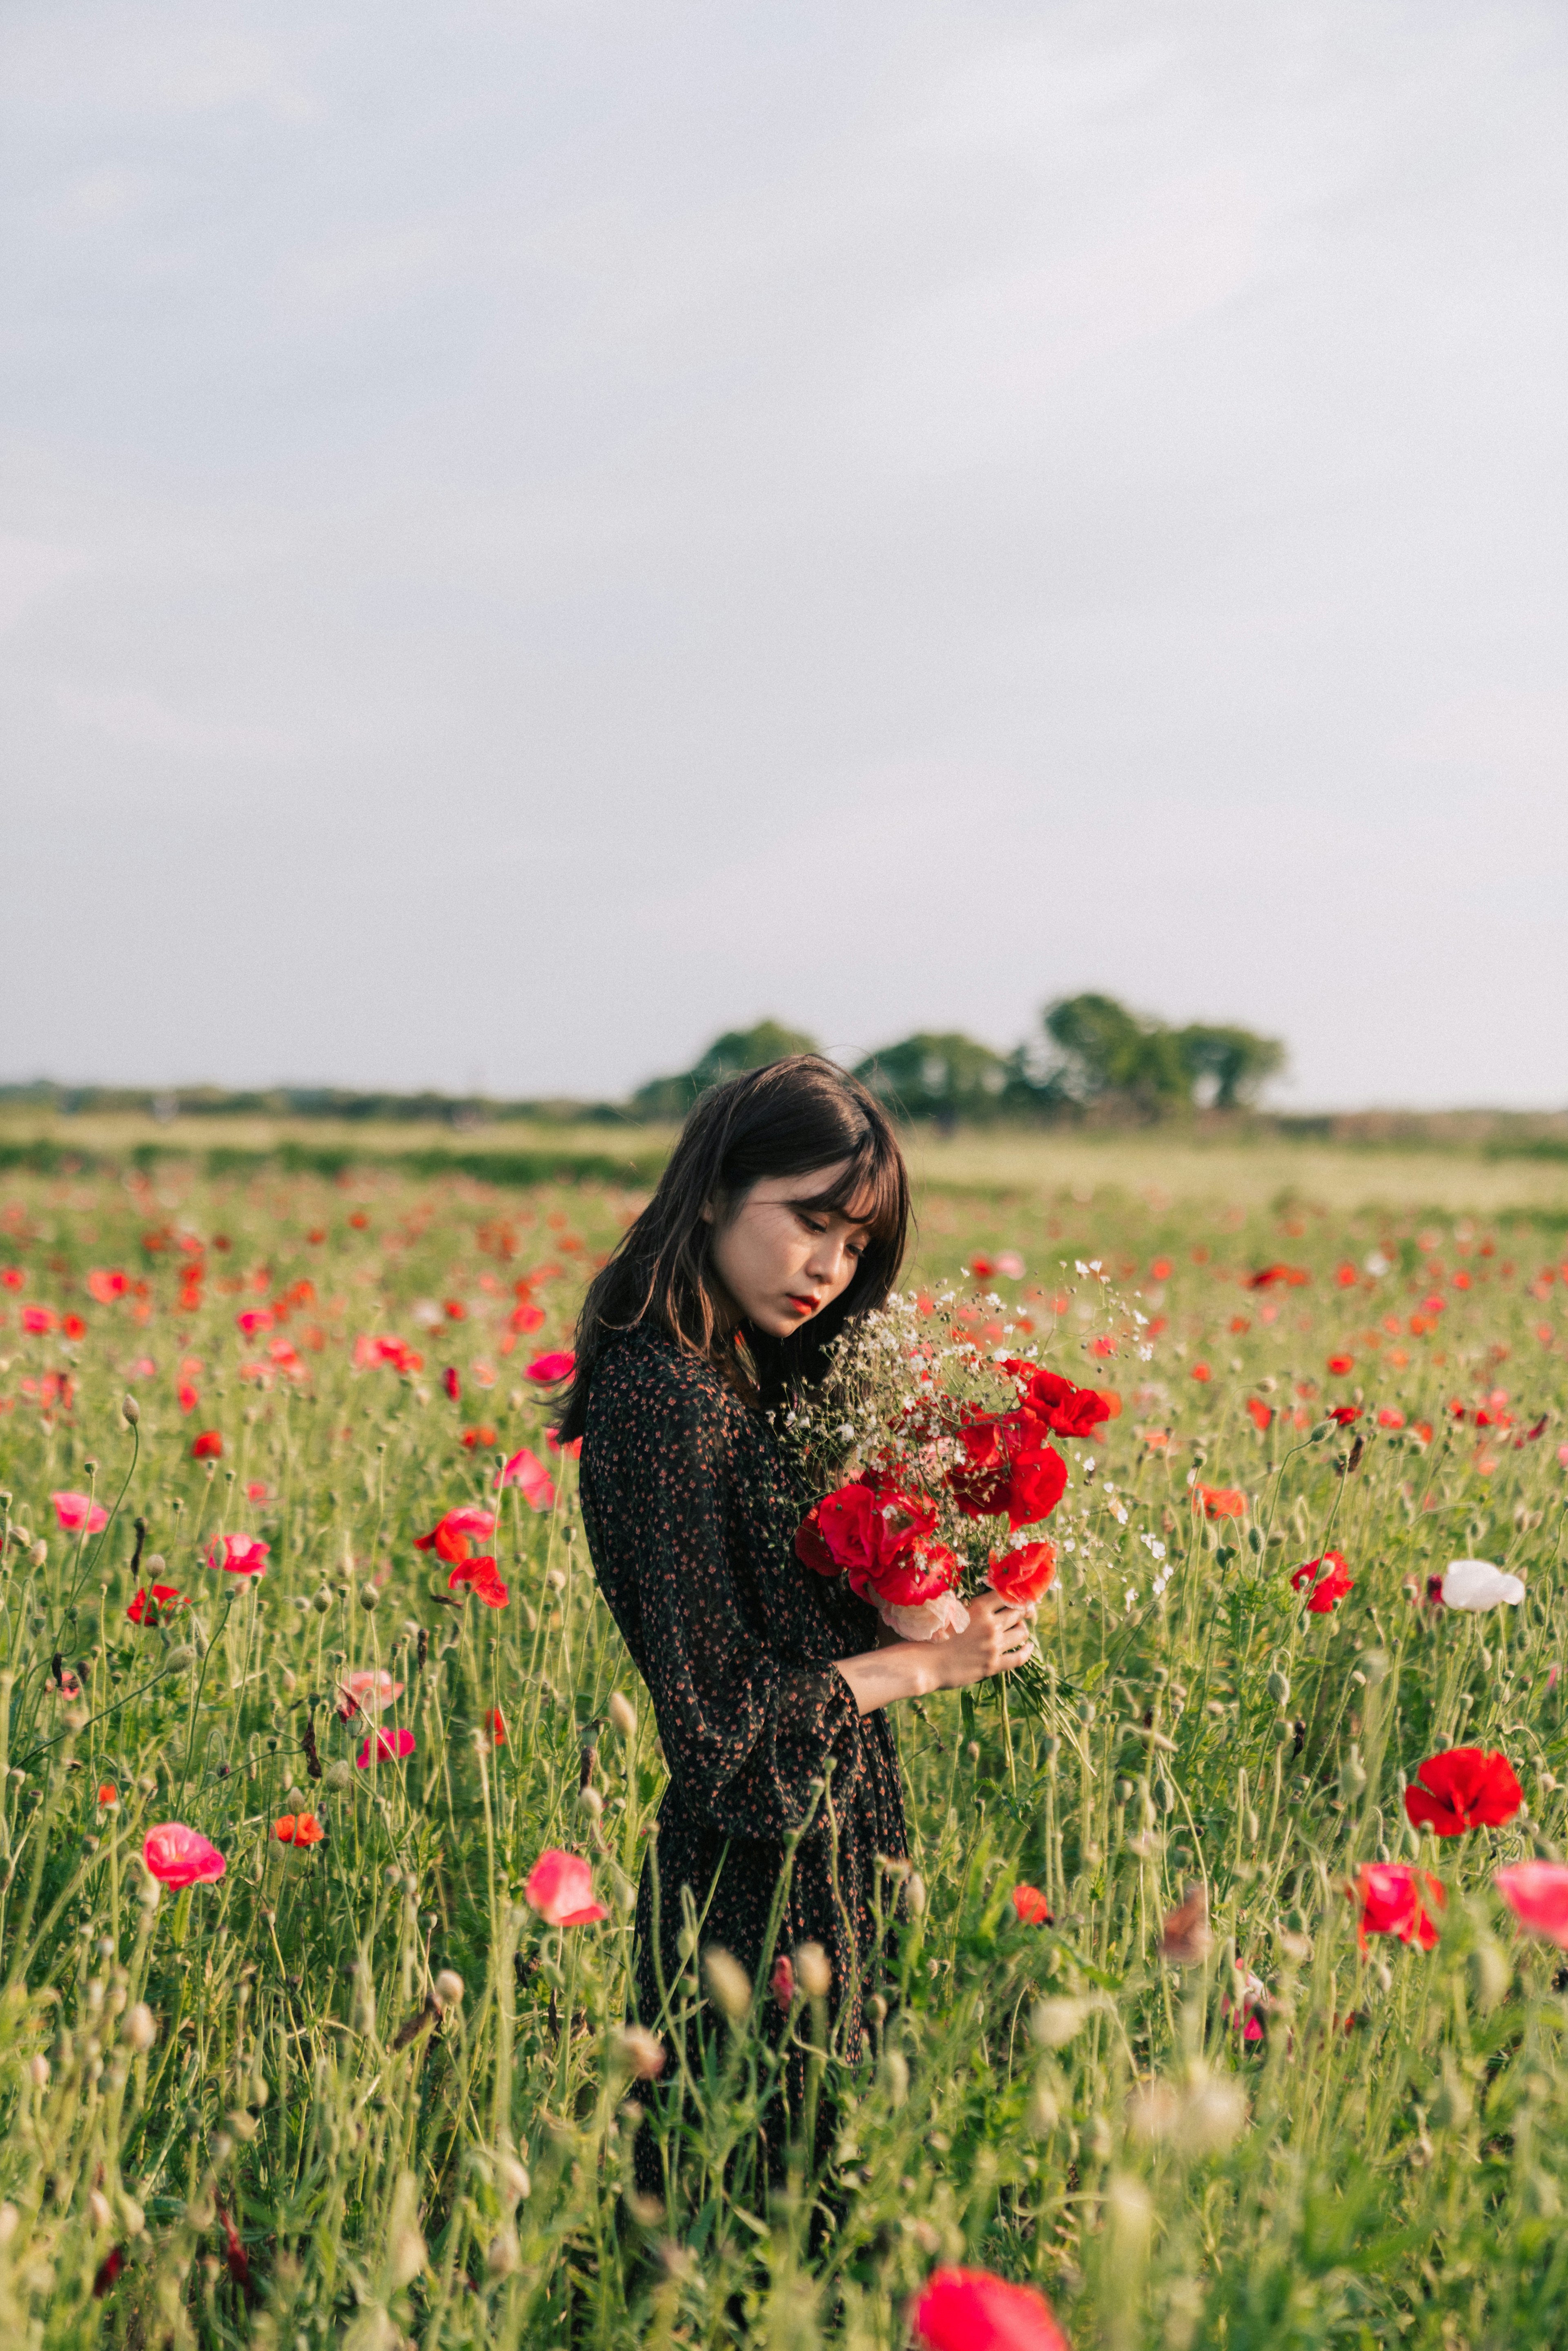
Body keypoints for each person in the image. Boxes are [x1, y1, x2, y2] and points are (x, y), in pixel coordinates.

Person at [555, 1055, 1035, 2188]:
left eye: (858, 1244)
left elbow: (774, 1629)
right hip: (755, 1873)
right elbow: (720, 1725)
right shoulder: (665, 1398)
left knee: (800, 2189)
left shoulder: (732, 1378)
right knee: (749, 2198)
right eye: (812, 1222)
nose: (831, 1266)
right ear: (717, 1189)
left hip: (821, 1844)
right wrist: (926, 1662)